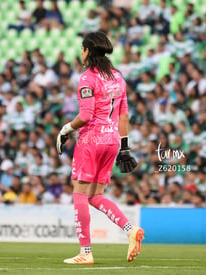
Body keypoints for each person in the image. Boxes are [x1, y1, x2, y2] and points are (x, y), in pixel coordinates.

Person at [56, 31, 143, 265]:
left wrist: (65, 130)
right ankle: (130, 229)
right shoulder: (118, 77)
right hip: (112, 140)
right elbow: (123, 114)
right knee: (95, 196)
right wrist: (125, 147)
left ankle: (85, 252)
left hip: (91, 140)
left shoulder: (87, 78)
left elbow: (85, 115)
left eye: (82, 49)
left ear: (87, 51)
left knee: (79, 193)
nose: (81, 53)